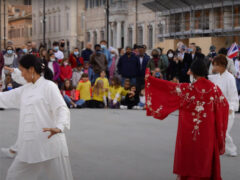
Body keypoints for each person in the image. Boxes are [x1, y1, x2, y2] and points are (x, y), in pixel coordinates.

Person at [145, 58, 229, 180]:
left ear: (193, 72)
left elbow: (167, 88)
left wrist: (150, 80)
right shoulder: (214, 90)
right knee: (204, 154)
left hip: (189, 133)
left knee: (191, 155)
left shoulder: (187, 89)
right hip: (207, 132)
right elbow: (224, 107)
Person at [0, 54, 73, 180]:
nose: (21, 75)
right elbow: (3, 98)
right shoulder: (25, 90)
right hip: (30, 148)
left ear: (32, 69)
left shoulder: (49, 87)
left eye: (22, 71)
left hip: (51, 145)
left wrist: (59, 127)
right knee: (13, 176)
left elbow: (62, 109)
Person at [209, 55, 239, 157]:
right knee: (217, 130)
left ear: (223, 65)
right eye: (214, 65)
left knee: (224, 131)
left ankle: (232, 149)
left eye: (216, 65)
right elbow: (203, 79)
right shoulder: (215, 77)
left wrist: (231, 107)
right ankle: (219, 148)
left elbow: (233, 94)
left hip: (228, 109)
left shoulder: (230, 78)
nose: (215, 67)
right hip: (217, 109)